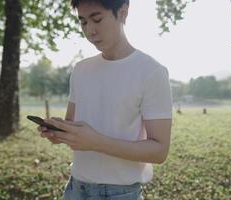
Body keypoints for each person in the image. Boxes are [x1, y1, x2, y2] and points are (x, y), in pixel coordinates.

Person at [37, 0, 173, 199]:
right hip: (75, 189)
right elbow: (73, 129)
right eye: (83, 22)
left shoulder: (151, 72)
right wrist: (58, 133)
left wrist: (97, 142)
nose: (90, 31)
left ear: (123, 13)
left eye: (97, 19)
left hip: (120, 193)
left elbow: (159, 151)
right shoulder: (81, 70)